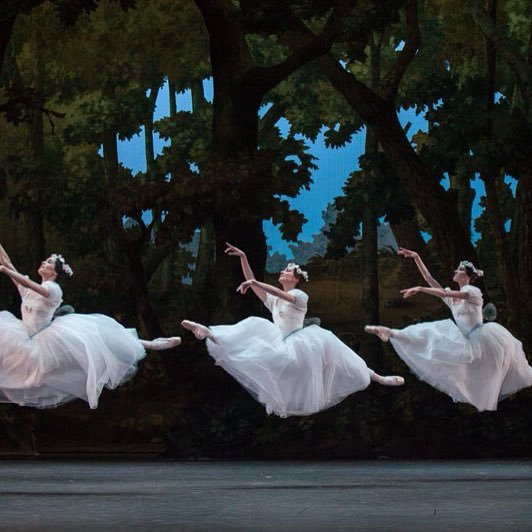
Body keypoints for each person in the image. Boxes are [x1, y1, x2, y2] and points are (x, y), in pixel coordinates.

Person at [181, 243, 403, 418]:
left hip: (301, 342)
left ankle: (378, 377)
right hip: (281, 341)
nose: (282, 272)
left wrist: (254, 281)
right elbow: (257, 286)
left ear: (295, 279)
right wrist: (244, 258)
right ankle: (209, 333)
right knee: (253, 325)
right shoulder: (273, 302)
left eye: (287, 271)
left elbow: (279, 294)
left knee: (344, 357)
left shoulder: (299, 296)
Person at [0, 244, 180, 409]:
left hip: (42, 343)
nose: (43, 262)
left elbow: (27, 282)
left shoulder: (54, 289)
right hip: (24, 336)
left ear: (54, 272)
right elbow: (8, 262)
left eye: (48, 262)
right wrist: (6, 266)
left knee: (101, 339)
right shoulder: (28, 292)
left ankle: (152, 344)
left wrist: (6, 272)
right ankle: (152, 343)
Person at [365, 247, 532, 411]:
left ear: (467, 275)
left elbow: (444, 294)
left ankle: (393, 333)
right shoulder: (453, 300)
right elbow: (430, 279)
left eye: (459, 269)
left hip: (481, 340)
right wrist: (416, 257)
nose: (455, 271)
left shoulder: (472, 291)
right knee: (430, 333)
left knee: (439, 330)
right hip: (467, 340)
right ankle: (392, 333)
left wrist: (420, 289)